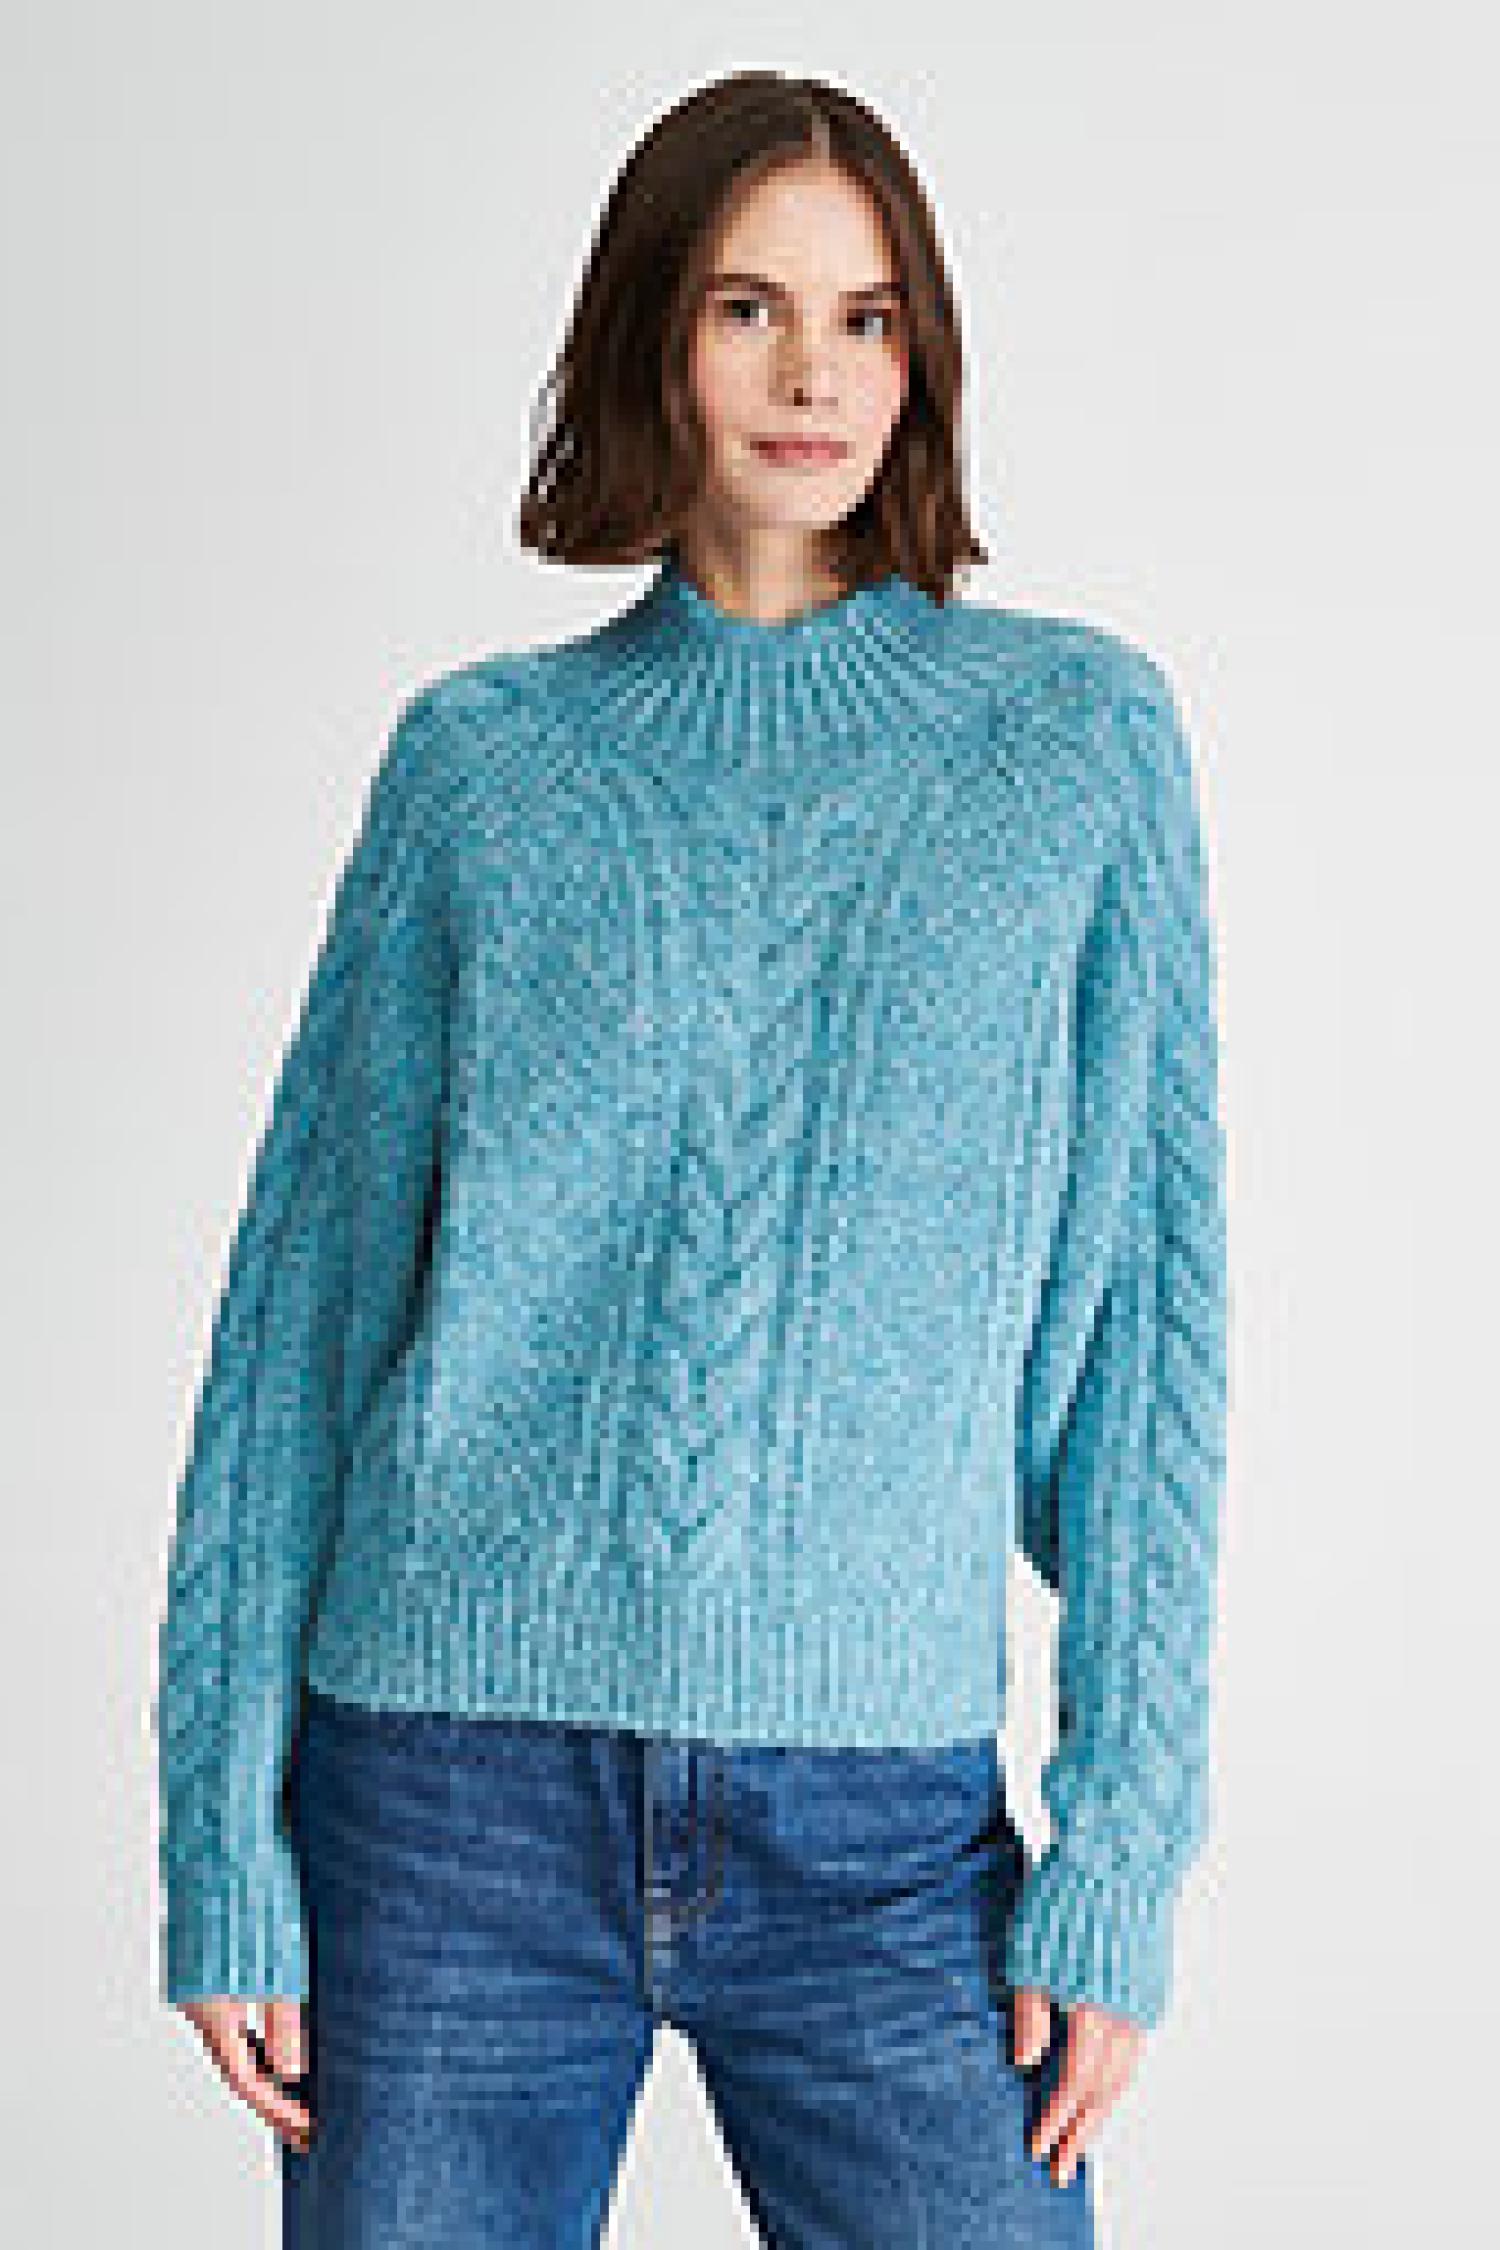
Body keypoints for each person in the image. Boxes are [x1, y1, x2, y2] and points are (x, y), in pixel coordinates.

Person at [154, 69, 1229, 2246]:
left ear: (922, 356)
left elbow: (1146, 1333)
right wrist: (219, 1833)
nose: (813, 373)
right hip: (444, 1794)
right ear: (657, 331)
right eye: (750, 309)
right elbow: (305, 1322)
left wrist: (1122, 1851)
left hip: (882, 1824)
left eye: (867, 316)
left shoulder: (1076, 746)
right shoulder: (481, 767)